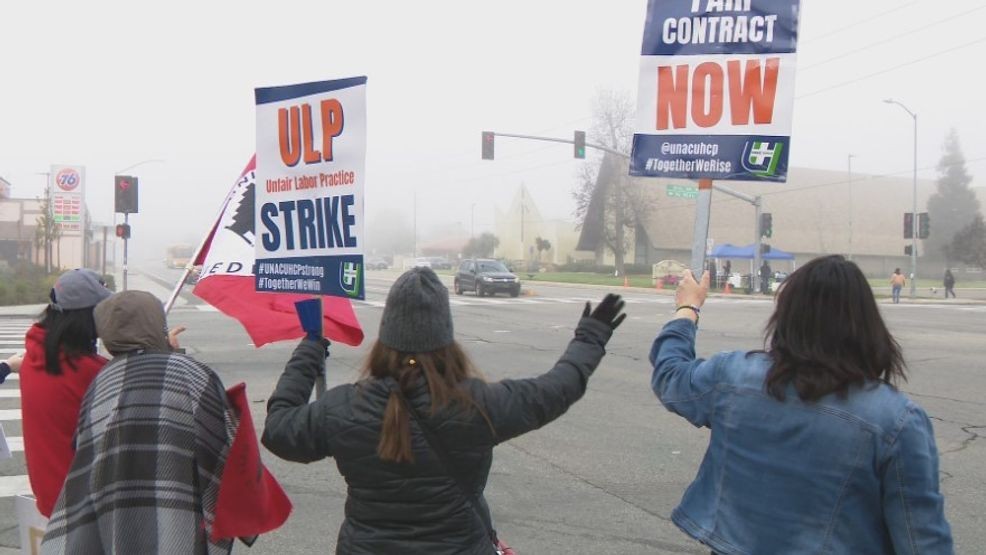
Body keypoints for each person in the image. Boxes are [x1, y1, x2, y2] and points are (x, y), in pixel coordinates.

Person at [262, 267, 626, 554]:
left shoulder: (342, 407)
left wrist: (310, 349)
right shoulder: (477, 405)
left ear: (385, 338)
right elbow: (559, 388)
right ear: (446, 340)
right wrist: (590, 336)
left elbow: (278, 429)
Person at [650, 256, 953, 554]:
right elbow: (922, 540)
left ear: (786, 316)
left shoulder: (732, 376)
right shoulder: (896, 421)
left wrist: (688, 308)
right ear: (867, 323)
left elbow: (670, 375)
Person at [41, 291, 241, 554]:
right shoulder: (190, 372)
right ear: (156, 323)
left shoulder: (101, 382)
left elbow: (82, 452)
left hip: (114, 517)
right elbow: (228, 444)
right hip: (180, 514)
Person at [17, 268, 112, 517]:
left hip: (51, 496)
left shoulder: (34, 359)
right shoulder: (90, 372)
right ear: (87, 317)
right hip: (85, 507)